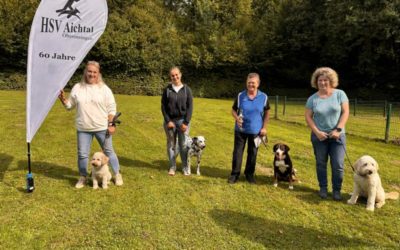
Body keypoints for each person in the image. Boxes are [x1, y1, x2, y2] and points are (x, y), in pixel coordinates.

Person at [58, 61, 123, 188]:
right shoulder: (77, 87)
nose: (92, 74)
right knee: (82, 154)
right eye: (89, 71)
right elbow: (70, 106)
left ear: (98, 74)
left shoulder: (104, 89)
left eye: (94, 72)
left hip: (102, 128)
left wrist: (111, 124)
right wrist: (63, 99)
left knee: (109, 152)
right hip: (83, 128)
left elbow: (111, 108)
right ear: (85, 72)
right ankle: (83, 177)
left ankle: (117, 174)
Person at [305, 67, 349, 200]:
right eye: (320, 80)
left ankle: (337, 190)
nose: (322, 83)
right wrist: (317, 132)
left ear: (330, 81)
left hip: (337, 136)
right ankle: (323, 188)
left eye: (325, 80)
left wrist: (338, 130)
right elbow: (308, 117)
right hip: (319, 137)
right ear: (316, 82)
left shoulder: (340, 94)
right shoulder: (312, 99)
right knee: (320, 163)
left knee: (338, 165)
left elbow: (345, 112)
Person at [228, 73, 270, 184]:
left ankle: (249, 174)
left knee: (253, 153)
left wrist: (264, 128)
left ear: (258, 84)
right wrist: (237, 118)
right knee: (237, 152)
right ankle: (234, 174)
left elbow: (267, 113)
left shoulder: (264, 97)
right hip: (240, 130)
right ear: (246, 83)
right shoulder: (240, 96)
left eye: (253, 83)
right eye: (249, 82)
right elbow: (233, 110)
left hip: (256, 131)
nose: (251, 85)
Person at [161, 66, 193, 176]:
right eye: (172, 75)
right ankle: (172, 167)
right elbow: (163, 106)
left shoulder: (186, 89)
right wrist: (168, 120)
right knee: (171, 145)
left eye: (176, 74)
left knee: (183, 145)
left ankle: (184, 167)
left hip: (182, 121)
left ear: (180, 74)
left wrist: (186, 123)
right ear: (170, 77)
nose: (175, 77)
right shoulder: (167, 90)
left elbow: (190, 107)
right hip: (170, 122)